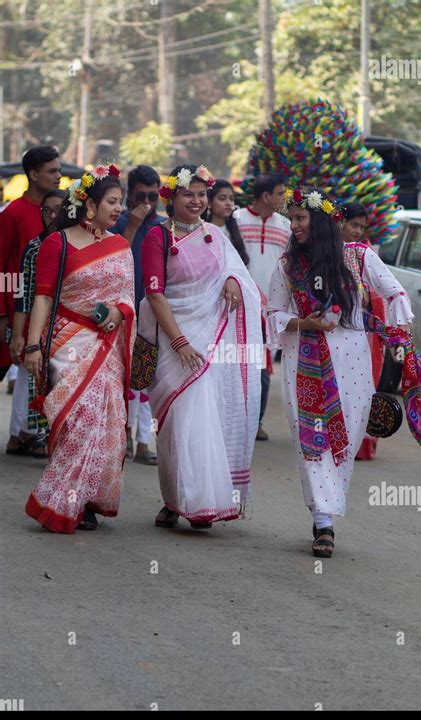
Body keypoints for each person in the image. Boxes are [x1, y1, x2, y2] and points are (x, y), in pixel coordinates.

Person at [267, 187, 415, 558]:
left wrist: (398, 332)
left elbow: (396, 293)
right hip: (304, 360)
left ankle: (327, 510)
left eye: (301, 218)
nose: (294, 225)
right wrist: (304, 322)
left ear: (317, 222)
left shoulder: (358, 257)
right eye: (292, 219)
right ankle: (323, 523)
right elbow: (272, 314)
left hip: (352, 362)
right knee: (312, 440)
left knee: (343, 437)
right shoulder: (287, 266)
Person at [139, 163, 262, 529]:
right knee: (176, 424)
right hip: (174, 339)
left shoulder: (215, 235)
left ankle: (203, 501)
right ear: (171, 197)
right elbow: (154, 294)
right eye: (187, 194)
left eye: (201, 194)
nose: (196, 201)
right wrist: (179, 343)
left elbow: (238, 273)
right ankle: (175, 500)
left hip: (211, 340)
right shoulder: (157, 237)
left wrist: (233, 283)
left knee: (206, 417)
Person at [23, 164, 135, 534]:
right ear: (89, 204)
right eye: (112, 202)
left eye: (121, 202)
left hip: (107, 347)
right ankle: (61, 500)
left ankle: (85, 499)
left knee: (106, 424)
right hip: (67, 341)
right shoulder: (59, 242)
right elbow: (42, 298)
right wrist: (32, 346)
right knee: (76, 421)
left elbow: (129, 299)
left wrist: (120, 312)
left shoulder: (121, 246)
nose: (119, 209)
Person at [0, 145, 61, 443]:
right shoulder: (13, 213)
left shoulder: (63, 215)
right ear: (33, 174)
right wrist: (3, 313)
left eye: (59, 170)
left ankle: (24, 436)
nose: (58, 176)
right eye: (52, 171)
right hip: (16, 309)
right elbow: (4, 267)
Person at [110, 164, 165, 465]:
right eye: (141, 195)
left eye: (153, 196)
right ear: (129, 194)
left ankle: (144, 442)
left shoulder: (164, 226)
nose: (147, 202)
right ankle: (124, 440)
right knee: (122, 380)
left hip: (153, 313)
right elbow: (115, 260)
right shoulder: (117, 223)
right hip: (121, 312)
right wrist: (130, 226)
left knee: (146, 379)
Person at [8, 190, 65, 456]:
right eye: (47, 211)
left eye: (58, 210)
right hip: (35, 324)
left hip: (66, 326)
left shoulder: (72, 243)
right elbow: (22, 292)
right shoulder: (32, 245)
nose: (52, 216)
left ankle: (41, 435)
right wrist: (17, 332)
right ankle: (26, 434)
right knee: (30, 378)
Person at [236, 173, 291, 440]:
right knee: (235, 364)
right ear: (265, 196)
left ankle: (255, 421)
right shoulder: (236, 220)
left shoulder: (286, 226)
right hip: (239, 306)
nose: (284, 198)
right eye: (280, 193)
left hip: (270, 311)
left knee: (263, 369)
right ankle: (235, 419)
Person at [340, 203, 386, 461]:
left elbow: (381, 290)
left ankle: (361, 443)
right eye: (353, 225)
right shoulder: (326, 252)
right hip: (333, 334)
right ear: (339, 223)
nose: (357, 231)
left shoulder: (366, 253)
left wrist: (367, 297)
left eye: (361, 226)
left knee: (365, 385)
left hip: (365, 334)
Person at [206, 179, 249, 265]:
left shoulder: (235, 231)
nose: (229, 203)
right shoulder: (203, 230)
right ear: (209, 202)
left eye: (231, 199)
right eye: (222, 199)